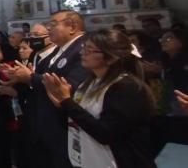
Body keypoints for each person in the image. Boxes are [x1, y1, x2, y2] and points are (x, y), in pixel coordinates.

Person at [42, 29, 156, 168]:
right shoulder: (88, 83)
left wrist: (67, 102)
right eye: (84, 47)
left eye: (90, 50)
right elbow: (80, 120)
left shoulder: (126, 87)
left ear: (111, 57)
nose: (82, 53)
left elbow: (105, 133)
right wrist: (62, 104)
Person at [4, 10, 89, 168]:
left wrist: (30, 77)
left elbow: (67, 86)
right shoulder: (58, 50)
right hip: (46, 124)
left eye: (53, 24)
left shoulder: (83, 49)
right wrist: (20, 76)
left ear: (72, 26)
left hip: (64, 126)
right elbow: (39, 76)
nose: (49, 28)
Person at [160, 29, 188, 116]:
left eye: (169, 39)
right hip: (174, 105)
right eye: (161, 39)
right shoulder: (166, 61)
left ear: (181, 42)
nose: (163, 41)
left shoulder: (185, 60)